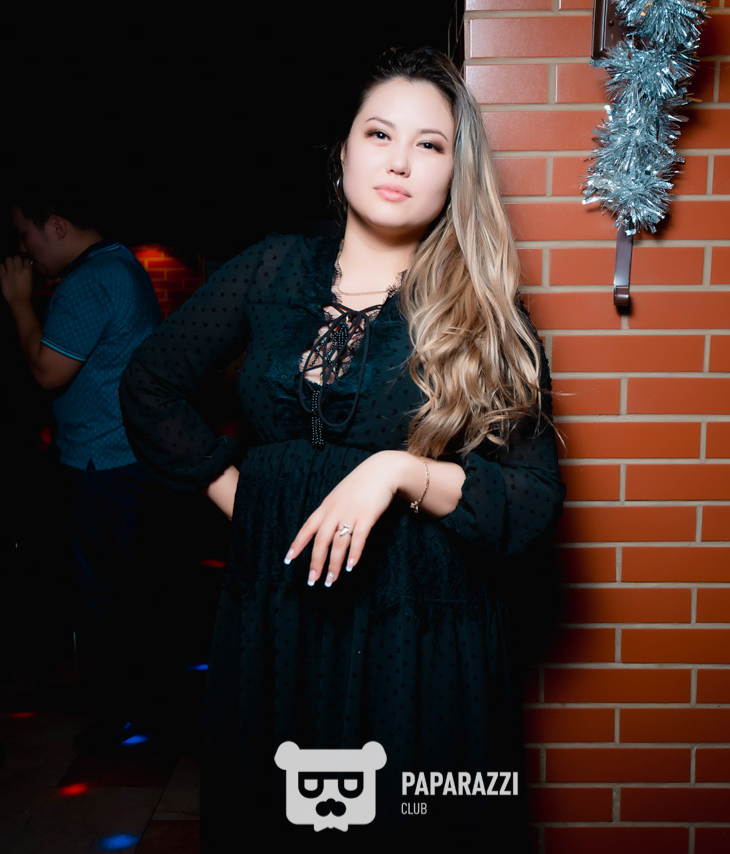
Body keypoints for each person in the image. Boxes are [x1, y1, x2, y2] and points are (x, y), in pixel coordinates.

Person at [120, 47, 564, 848]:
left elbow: (530, 500)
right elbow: (151, 384)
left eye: (430, 144)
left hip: (423, 631)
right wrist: (241, 497)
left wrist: (399, 472)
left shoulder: (485, 311)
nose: (399, 161)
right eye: (379, 134)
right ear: (344, 151)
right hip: (279, 619)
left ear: (455, 173)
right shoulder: (271, 270)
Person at [0, 188, 162, 741]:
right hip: (123, 456)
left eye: (25, 233)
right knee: (122, 589)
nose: (23, 248)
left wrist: (19, 302)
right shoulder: (120, 262)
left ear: (57, 225)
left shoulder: (89, 280)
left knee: (105, 594)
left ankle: (121, 714)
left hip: (102, 463)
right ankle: (129, 704)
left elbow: (48, 371)